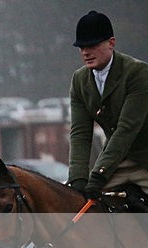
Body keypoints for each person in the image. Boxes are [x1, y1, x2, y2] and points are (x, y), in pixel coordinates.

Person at [68, 10, 148, 202]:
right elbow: (80, 134)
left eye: (92, 45)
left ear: (111, 43)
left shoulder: (138, 73)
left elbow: (126, 130)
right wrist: (78, 178)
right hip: (115, 163)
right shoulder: (79, 80)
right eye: (81, 47)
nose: (86, 52)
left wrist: (98, 175)